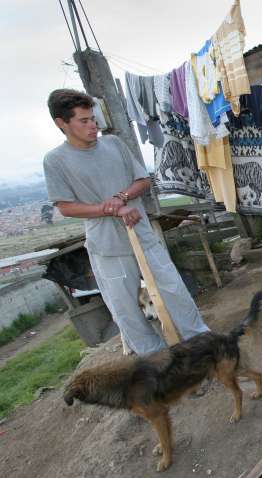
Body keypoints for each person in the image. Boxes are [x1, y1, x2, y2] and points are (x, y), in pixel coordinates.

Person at [43, 89, 208, 356]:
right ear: (61, 123)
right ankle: (155, 359)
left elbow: (143, 180)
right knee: (126, 309)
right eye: (83, 121)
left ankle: (201, 341)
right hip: (108, 247)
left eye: (93, 118)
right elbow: (66, 207)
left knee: (173, 289)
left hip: (142, 234)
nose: (93, 125)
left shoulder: (114, 144)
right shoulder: (56, 160)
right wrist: (110, 209)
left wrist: (120, 198)